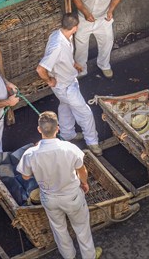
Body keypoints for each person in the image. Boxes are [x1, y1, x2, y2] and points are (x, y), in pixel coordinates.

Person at [17, 111, 102, 259]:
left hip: (49, 199)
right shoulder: (70, 148)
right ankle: (90, 256)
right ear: (58, 128)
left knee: (59, 230)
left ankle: (69, 257)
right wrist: (84, 183)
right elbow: (82, 170)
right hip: (72, 196)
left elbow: (25, 176)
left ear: (39, 129)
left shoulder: (30, 154)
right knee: (82, 228)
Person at [36, 13, 102, 156]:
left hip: (65, 83)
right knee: (85, 113)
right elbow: (40, 69)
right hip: (65, 86)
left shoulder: (58, 34)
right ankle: (92, 142)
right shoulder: (57, 46)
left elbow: (64, 58)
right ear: (76, 27)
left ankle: (67, 134)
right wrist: (49, 80)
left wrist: (73, 64)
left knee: (65, 106)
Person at [72, 0, 123, 79]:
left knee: (107, 41)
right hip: (84, 18)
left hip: (103, 17)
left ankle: (104, 65)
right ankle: (81, 69)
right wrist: (85, 12)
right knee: (81, 44)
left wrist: (111, 10)